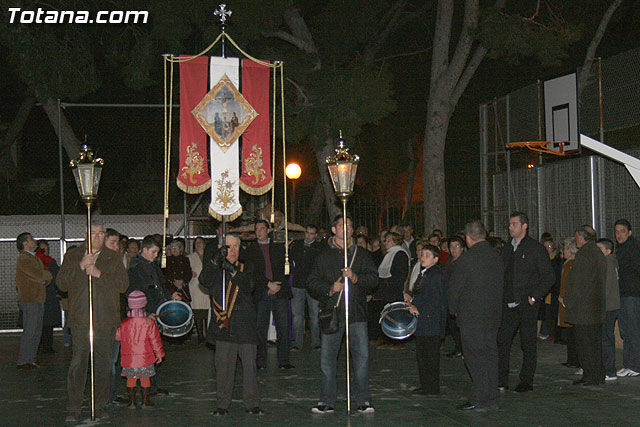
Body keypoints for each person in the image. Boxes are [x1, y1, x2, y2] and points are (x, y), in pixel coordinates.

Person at [56, 224, 129, 422]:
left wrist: (99, 274)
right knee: (78, 362)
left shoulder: (112, 257)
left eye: (100, 233)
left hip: (105, 319)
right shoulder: (73, 256)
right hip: (81, 319)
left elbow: (123, 285)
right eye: (93, 233)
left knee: (103, 364)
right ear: (86, 235)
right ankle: (74, 407)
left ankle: (99, 405)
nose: (97, 237)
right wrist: (80, 267)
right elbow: (61, 283)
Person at [307, 215, 378, 414]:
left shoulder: (361, 254)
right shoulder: (323, 256)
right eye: (341, 225)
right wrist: (330, 289)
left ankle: (363, 400)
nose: (345, 228)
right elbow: (311, 281)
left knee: (361, 358)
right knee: (327, 359)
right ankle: (327, 400)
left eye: (348, 225)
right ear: (333, 229)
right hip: (333, 313)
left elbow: (373, 279)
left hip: (356, 313)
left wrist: (355, 277)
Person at [199, 234, 263, 415]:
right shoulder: (215, 268)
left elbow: (249, 286)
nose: (233, 251)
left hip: (245, 324)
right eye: (228, 247)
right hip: (224, 324)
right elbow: (204, 280)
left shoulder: (246, 267)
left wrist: (233, 272)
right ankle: (222, 404)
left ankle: (252, 403)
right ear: (221, 248)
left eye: (236, 247)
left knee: (249, 367)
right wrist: (214, 262)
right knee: (224, 368)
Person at [448, 220, 503, 412]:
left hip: (471, 316)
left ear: (468, 237)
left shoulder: (467, 259)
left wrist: (453, 308)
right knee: (490, 355)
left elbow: (455, 289)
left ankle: (481, 398)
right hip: (493, 315)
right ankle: (491, 396)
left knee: (474, 358)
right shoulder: (496, 255)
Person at [497, 212, 554, 393]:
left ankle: (526, 380)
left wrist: (534, 297)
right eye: (509, 224)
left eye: (514, 224)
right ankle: (501, 379)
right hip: (508, 303)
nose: (510, 227)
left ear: (524, 226)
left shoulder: (535, 249)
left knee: (528, 342)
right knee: (502, 340)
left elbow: (549, 276)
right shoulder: (507, 248)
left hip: (526, 303)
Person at [128, 235, 182, 396]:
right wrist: (143, 312)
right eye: (153, 252)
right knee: (145, 351)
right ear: (143, 250)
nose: (155, 255)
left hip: (156, 311)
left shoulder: (154, 267)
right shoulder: (135, 269)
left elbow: (161, 287)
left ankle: (152, 384)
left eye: (157, 252)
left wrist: (170, 295)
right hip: (145, 314)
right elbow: (133, 293)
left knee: (153, 349)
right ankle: (146, 386)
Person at [244, 220, 293, 370]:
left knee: (283, 327)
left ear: (268, 230)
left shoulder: (279, 247)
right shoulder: (251, 251)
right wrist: (267, 284)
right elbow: (251, 272)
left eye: (262, 228)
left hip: (279, 291)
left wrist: (276, 285)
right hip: (261, 292)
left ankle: (284, 360)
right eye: (256, 229)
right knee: (260, 328)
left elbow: (286, 268)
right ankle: (260, 361)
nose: (259, 231)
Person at [564, 225, 607, 386]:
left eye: (576, 237)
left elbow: (576, 282)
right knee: (595, 344)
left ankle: (590, 376)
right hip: (596, 307)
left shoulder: (583, 254)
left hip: (583, 309)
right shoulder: (598, 253)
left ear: (581, 237)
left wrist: (569, 301)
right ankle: (597, 374)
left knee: (585, 345)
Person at [405, 245, 447, 395]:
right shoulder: (426, 273)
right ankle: (426, 385)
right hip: (424, 321)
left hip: (430, 321)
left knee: (429, 357)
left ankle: (431, 387)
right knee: (423, 355)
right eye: (422, 254)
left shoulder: (435, 275)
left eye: (427, 255)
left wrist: (419, 310)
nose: (423, 257)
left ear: (435, 259)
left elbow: (436, 300)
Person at [116, 291, 165, 408]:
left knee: (131, 379)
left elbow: (117, 337)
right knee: (145, 378)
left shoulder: (123, 323)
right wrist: (159, 354)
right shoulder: (149, 323)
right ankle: (145, 401)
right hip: (145, 358)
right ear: (144, 304)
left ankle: (131, 401)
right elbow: (155, 340)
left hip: (129, 358)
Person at [15, 232, 53, 369]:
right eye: (31, 239)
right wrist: (44, 277)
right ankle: (24, 360)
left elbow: (46, 276)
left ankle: (30, 359)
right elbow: (39, 275)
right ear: (25, 243)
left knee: (36, 330)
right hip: (30, 299)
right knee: (30, 331)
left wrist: (44, 277)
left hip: (37, 299)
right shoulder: (24, 259)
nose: (34, 240)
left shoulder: (34, 258)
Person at [372, 231, 410, 348]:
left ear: (395, 242)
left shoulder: (400, 254)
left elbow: (400, 275)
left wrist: (387, 282)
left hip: (393, 292)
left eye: (388, 240)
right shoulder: (389, 254)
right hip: (385, 292)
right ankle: (385, 338)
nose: (385, 242)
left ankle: (395, 341)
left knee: (394, 316)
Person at [290, 224, 323, 351]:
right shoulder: (297, 245)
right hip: (298, 284)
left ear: (315, 235)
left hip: (313, 285)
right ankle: (298, 343)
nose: (308, 236)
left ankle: (316, 342)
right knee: (298, 316)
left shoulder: (319, 248)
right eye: (307, 233)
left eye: (311, 233)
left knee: (315, 315)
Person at [613, 219, 640, 377]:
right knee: (626, 331)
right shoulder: (620, 248)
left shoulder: (633, 248)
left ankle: (635, 365)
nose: (619, 234)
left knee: (633, 330)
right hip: (622, 295)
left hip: (631, 295)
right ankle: (629, 364)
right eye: (616, 231)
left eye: (622, 231)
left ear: (629, 232)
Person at [597, 238, 620, 381]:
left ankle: (610, 370)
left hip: (608, 306)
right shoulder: (611, 262)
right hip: (610, 305)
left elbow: (606, 287)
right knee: (606, 337)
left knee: (606, 338)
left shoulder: (607, 263)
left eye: (600, 249)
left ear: (608, 250)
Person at [36, 240, 61, 354]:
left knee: (49, 323)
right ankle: (39, 344)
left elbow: (57, 275)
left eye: (46, 249)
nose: (44, 251)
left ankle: (48, 345)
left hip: (50, 295)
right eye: (42, 249)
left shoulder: (51, 262)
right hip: (38, 295)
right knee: (38, 322)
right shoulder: (35, 261)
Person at [558, 238, 579, 369]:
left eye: (565, 249)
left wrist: (563, 299)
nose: (563, 251)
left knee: (572, 333)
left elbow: (567, 284)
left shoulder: (570, 265)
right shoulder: (569, 263)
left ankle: (574, 359)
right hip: (568, 301)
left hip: (568, 302)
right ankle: (571, 358)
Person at [443, 236, 466, 358]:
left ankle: (463, 349)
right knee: (452, 326)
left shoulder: (463, 262)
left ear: (462, 248)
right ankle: (458, 347)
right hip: (449, 297)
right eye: (451, 247)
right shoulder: (449, 261)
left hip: (460, 298)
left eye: (456, 246)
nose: (453, 249)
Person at [188, 237, 210, 344]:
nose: (198, 244)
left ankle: (207, 334)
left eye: (200, 242)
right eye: (196, 243)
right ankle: (201, 336)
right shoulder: (189, 258)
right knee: (198, 312)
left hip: (206, 287)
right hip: (195, 287)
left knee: (207, 311)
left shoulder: (209, 257)